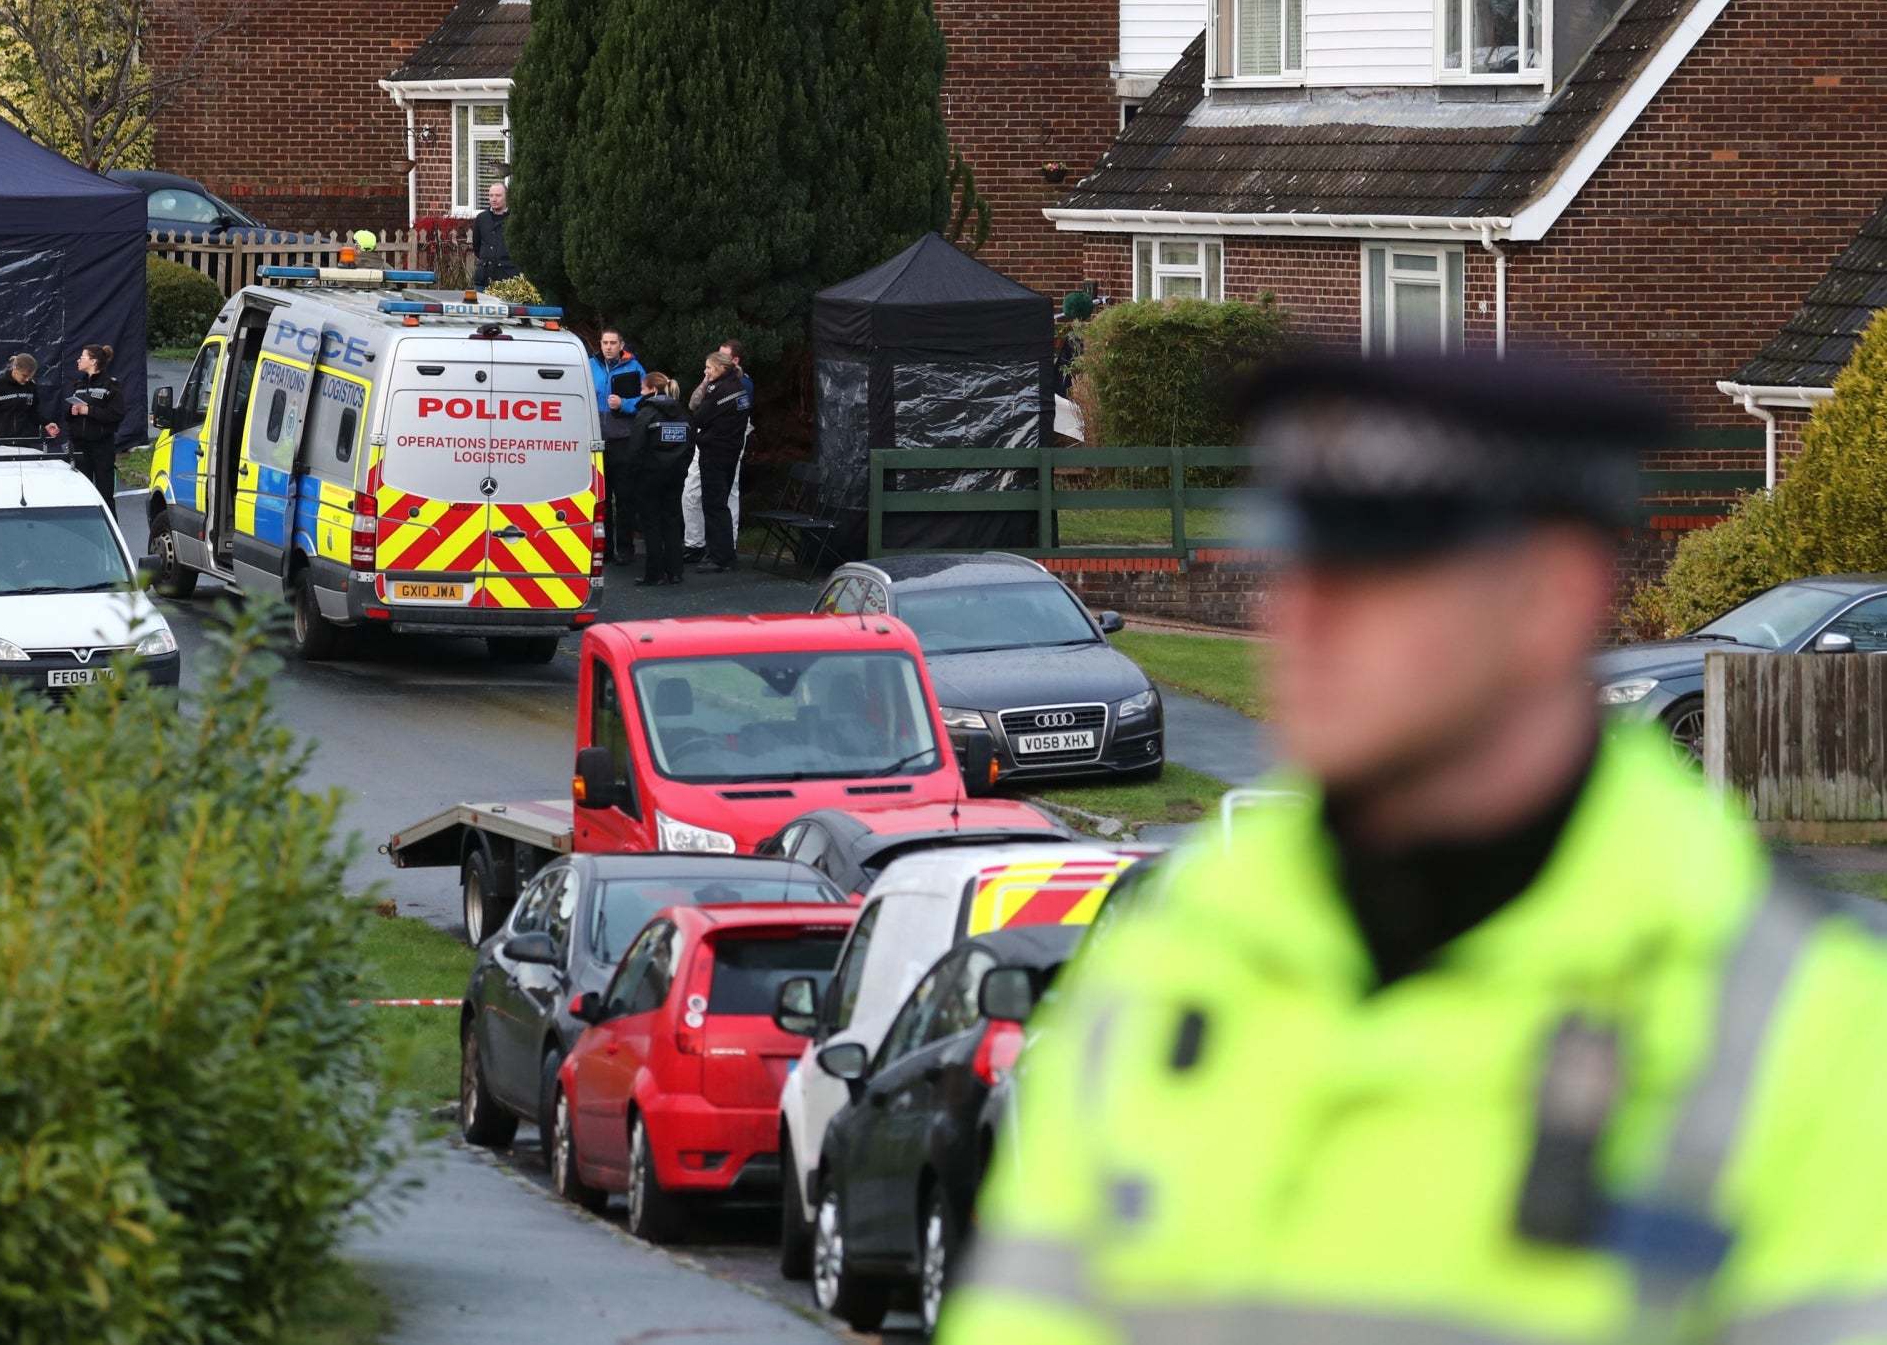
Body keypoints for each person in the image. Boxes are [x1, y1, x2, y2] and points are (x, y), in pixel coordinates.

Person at [944, 350, 1887, 1345]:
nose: (1300, 617)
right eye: (1297, 563)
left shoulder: (1792, 1019)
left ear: (1550, 598)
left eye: (1375, 570)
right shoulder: (1173, 947)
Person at [682, 338, 753, 563]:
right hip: (721, 447)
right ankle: (704, 546)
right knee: (701, 496)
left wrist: (701, 436)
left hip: (718, 449)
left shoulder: (732, 387)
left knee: (720, 500)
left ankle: (722, 551)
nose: (707, 371)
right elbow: (695, 404)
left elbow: (700, 414)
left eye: (711, 366)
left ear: (731, 362)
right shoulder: (723, 385)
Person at [624, 372, 694, 586]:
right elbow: (690, 446)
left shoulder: (646, 413)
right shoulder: (682, 413)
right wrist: (681, 468)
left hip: (649, 477)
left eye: (643, 389)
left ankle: (654, 574)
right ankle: (675, 571)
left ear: (652, 390)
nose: (640, 393)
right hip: (675, 476)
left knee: (651, 524)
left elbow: (635, 448)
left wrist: (633, 475)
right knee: (672, 521)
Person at [589, 329, 645, 563]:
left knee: (624, 498)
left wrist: (624, 404)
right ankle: (605, 548)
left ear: (621, 344)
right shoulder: (590, 365)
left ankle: (625, 548)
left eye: (613, 343)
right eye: (605, 342)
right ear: (600, 344)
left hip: (623, 439)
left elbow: (645, 399)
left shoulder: (634, 367)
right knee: (600, 498)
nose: (609, 347)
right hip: (596, 441)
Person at [52, 343, 123, 503]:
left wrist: (88, 411)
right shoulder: (79, 385)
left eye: (82, 357)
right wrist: (72, 411)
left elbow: (116, 414)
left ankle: (109, 526)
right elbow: (68, 415)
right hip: (80, 447)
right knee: (82, 494)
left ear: (93, 361)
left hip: (101, 446)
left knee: (105, 495)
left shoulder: (110, 385)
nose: (78, 360)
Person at [0, 354, 43, 440]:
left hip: (24, 441)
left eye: (30, 376)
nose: (27, 379)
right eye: (24, 376)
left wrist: (46, 423)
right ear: (15, 369)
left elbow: (33, 412)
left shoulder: (31, 387)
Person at [470, 181, 516, 287]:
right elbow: (476, 247)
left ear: (506, 197)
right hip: (484, 278)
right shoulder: (481, 218)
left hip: (509, 278)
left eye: (498, 195)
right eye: (491, 195)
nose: (494, 199)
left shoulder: (515, 218)